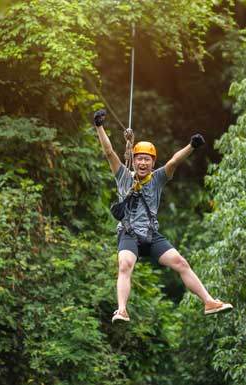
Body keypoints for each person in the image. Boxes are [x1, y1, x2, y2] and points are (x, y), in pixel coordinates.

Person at [93, 109, 233, 323]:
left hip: (151, 235)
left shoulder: (157, 178)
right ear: (133, 158)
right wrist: (99, 127)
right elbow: (109, 152)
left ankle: (209, 301)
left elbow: (173, 162)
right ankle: (121, 310)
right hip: (129, 234)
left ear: (152, 162)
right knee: (124, 265)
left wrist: (191, 146)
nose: (142, 163)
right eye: (139, 159)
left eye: (147, 160)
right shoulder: (123, 176)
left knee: (181, 263)